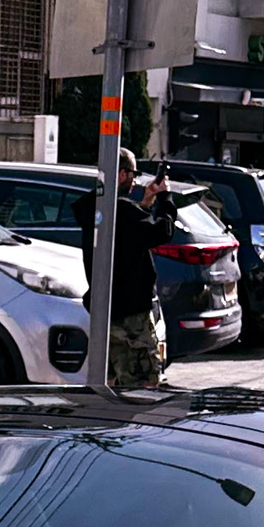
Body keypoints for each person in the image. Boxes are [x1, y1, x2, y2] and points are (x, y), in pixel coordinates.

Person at [78, 151, 168, 388]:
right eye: (133, 174)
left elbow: (130, 236)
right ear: (121, 174)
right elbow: (161, 232)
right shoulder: (121, 211)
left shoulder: (95, 208)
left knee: (109, 384)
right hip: (131, 319)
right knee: (141, 388)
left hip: (105, 313)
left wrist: (146, 203)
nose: (135, 181)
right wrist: (165, 198)